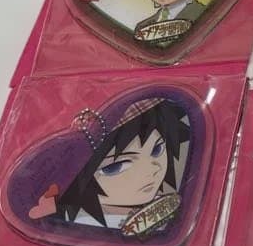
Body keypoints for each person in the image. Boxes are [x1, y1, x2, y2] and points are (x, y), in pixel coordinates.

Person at [52, 98, 191, 231]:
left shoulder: (161, 205)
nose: (153, 169)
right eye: (115, 167)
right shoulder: (84, 225)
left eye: (157, 150)